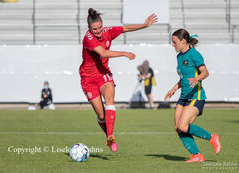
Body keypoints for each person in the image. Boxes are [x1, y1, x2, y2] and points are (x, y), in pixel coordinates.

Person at [79, 8, 157, 152]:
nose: (98, 31)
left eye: (100, 27)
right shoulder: (88, 38)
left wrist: (144, 25)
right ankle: (108, 134)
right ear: (89, 28)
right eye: (94, 29)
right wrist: (124, 53)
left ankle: (110, 137)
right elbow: (103, 52)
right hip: (88, 79)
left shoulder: (107, 31)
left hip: (103, 74)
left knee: (110, 100)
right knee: (101, 115)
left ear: (103, 24)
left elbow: (125, 28)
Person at [164, 29, 221, 162]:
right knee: (178, 128)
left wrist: (197, 79)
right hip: (183, 97)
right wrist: (173, 89)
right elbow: (183, 78)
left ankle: (212, 137)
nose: (173, 45)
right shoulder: (179, 56)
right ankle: (197, 155)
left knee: (183, 126)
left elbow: (205, 72)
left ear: (183, 41)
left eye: (174, 42)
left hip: (196, 96)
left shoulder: (194, 54)